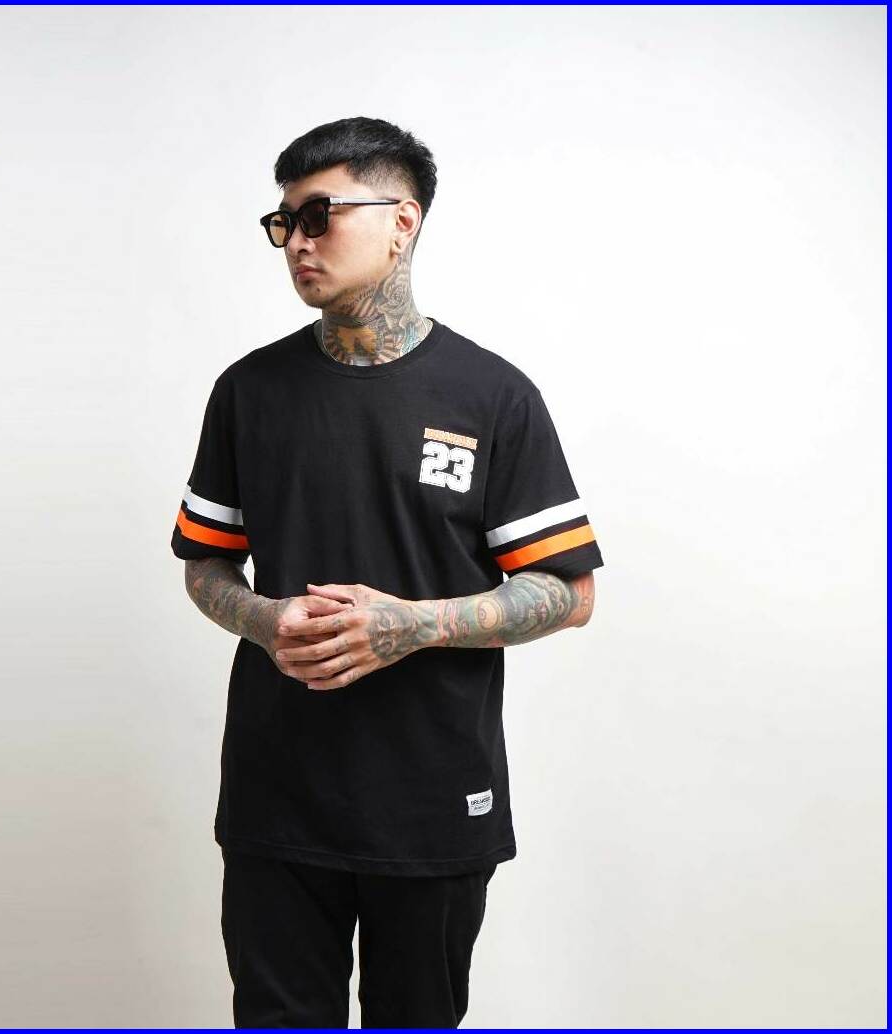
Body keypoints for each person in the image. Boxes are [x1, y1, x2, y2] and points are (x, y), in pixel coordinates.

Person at [170, 116, 604, 1029]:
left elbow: (569, 593)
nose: (297, 242)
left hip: (431, 795)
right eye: (283, 222)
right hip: (277, 795)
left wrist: (411, 624)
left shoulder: (493, 396)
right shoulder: (249, 391)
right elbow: (206, 565)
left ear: (402, 221)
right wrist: (262, 618)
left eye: (319, 215)